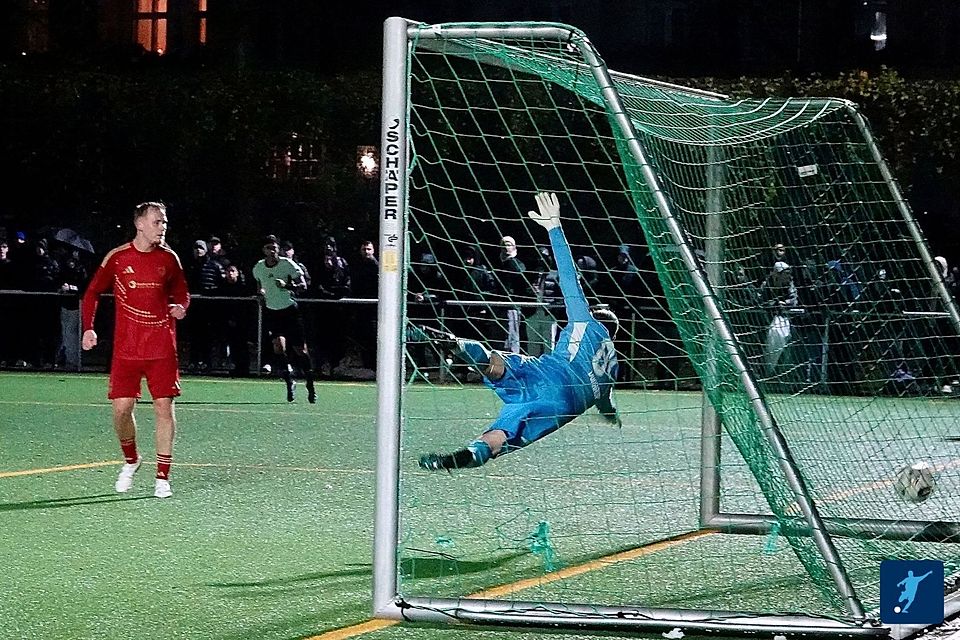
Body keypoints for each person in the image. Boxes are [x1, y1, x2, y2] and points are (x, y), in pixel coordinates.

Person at [418, 192, 621, 472]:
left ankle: (459, 345)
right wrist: (612, 417)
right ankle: (469, 454)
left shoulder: (585, 321)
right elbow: (606, 402)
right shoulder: (614, 367)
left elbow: (568, 276)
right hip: (560, 407)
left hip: (549, 373)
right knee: (505, 433)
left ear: (597, 315)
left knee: (499, 364)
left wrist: (554, 228)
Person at [80, 202, 189, 499]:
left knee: (163, 409)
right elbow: (92, 292)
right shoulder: (118, 257)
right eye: (157, 222)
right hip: (126, 349)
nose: (162, 227)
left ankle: (162, 476)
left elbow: (182, 292)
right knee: (120, 411)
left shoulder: (169, 258)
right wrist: (88, 327)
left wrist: (181, 306)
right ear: (139, 223)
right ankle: (131, 460)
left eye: (164, 222)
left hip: (161, 347)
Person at [252, 234, 316, 402]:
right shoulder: (258, 267)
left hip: (290, 311)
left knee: (300, 350)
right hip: (273, 312)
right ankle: (290, 381)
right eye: (268, 248)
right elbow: (260, 286)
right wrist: (260, 295)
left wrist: (287, 285)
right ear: (264, 250)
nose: (271, 251)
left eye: (274, 247)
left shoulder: (287, 264)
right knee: (278, 347)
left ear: (278, 249)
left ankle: (310, 382)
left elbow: (304, 286)